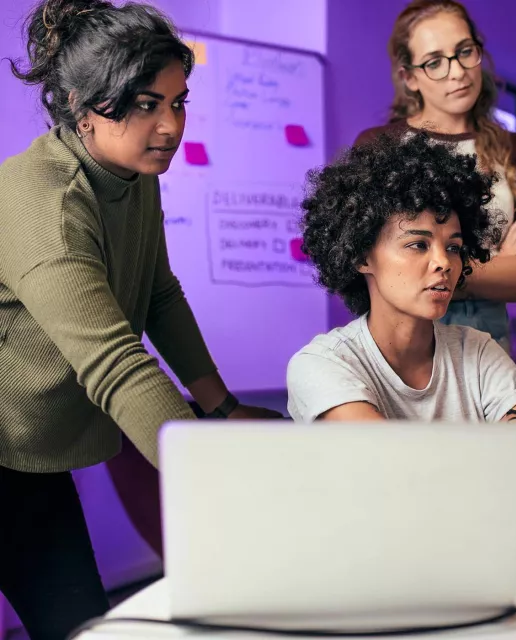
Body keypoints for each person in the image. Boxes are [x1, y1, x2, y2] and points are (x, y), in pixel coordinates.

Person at [0, 1, 279, 637]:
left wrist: (222, 408)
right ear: (80, 104)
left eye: (177, 102)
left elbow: (157, 294)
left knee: (76, 622)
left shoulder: (131, 171)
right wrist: (215, 477)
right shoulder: (42, 202)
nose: (170, 125)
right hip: (3, 442)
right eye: (145, 104)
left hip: (23, 456)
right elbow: (116, 364)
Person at [287, 129, 516, 425]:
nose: (444, 263)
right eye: (418, 245)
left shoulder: (478, 350)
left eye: (453, 247)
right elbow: (394, 461)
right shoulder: (321, 363)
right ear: (361, 256)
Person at [354, 0, 516, 351]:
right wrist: (498, 264)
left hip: (489, 352)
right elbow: (367, 267)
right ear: (409, 77)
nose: (457, 72)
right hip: (396, 351)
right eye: (434, 63)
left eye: (464, 52)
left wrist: (422, 271)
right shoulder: (379, 147)